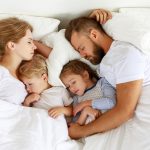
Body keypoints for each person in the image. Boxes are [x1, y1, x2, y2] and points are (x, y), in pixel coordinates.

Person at [64, 9, 150, 140]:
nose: (82, 55)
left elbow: (125, 111)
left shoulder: (124, 55)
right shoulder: (106, 59)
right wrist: (89, 20)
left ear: (94, 34)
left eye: (82, 48)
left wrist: (81, 131)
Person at [60, 59, 116, 125]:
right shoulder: (76, 99)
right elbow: (76, 122)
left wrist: (85, 103)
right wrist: (85, 112)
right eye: (68, 86)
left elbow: (111, 102)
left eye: (73, 82)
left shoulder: (102, 83)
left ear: (85, 75)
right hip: (90, 129)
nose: (71, 88)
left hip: (109, 121)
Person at [18, 54, 73, 119]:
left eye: (30, 84)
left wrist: (62, 110)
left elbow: (71, 110)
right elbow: (25, 116)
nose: (27, 89)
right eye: (25, 85)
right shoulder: (30, 97)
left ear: (44, 78)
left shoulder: (60, 91)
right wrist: (27, 102)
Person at [0, 17, 36, 105]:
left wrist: (27, 103)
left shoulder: (24, 73)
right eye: (29, 42)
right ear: (12, 45)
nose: (35, 47)